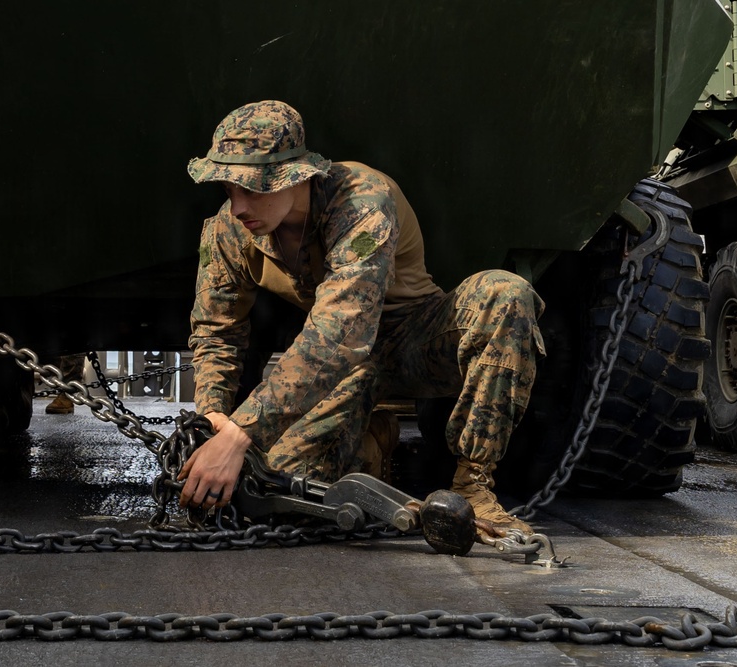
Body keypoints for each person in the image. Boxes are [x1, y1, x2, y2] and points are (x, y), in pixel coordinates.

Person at [177, 100, 545, 535]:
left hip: (413, 341)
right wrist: (213, 420)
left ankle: (474, 486)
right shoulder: (228, 230)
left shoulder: (362, 201)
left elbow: (340, 333)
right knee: (284, 486)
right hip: (346, 368)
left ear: (296, 176)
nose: (238, 207)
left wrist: (240, 433)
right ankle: (372, 440)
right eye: (228, 189)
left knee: (505, 295)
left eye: (252, 188)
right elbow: (217, 331)